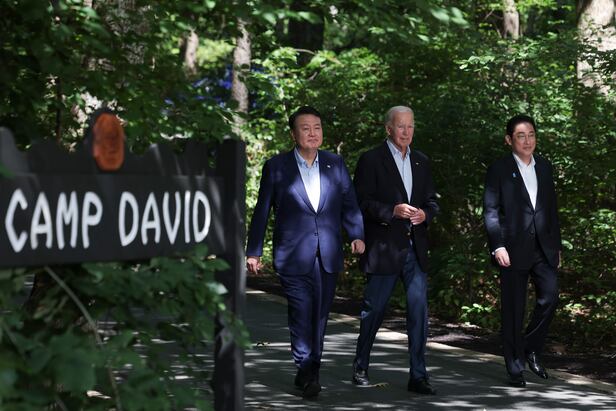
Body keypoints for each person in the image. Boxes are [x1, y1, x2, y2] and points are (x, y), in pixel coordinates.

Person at [246, 106, 365, 398]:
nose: (313, 133)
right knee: (301, 312)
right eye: (305, 128)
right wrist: (254, 251)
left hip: (327, 253)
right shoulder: (277, 167)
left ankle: (310, 370)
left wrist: (356, 234)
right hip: (292, 254)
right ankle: (307, 369)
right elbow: (262, 210)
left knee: (320, 315)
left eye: (317, 127)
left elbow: (349, 203)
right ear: (293, 134)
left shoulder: (335, 164)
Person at [352, 106, 439, 395]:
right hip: (384, 248)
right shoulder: (371, 159)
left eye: (410, 126)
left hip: (416, 248)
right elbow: (361, 202)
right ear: (388, 128)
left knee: (418, 313)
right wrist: (392, 210)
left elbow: (432, 201)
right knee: (374, 310)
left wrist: (425, 214)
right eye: (401, 126)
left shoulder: (422, 161)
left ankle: (418, 376)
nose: (406, 132)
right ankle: (361, 366)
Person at [483, 114, 561, 388]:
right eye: (520, 136)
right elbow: (491, 211)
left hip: (543, 248)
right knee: (514, 310)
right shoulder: (499, 169)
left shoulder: (545, 167)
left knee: (550, 296)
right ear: (509, 140)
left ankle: (529, 347)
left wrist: (556, 246)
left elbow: (551, 209)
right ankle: (515, 367)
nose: (527, 141)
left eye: (531, 135)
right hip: (512, 249)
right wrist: (497, 246)